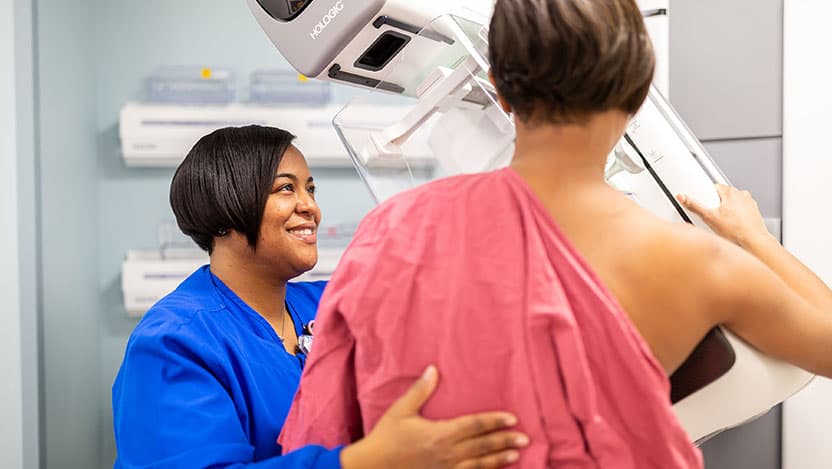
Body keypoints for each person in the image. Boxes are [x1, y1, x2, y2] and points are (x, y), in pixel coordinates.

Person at [277, 0, 832, 467]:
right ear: (639, 94)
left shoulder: (394, 232)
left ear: (497, 88)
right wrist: (756, 239)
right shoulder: (699, 264)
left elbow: (321, 419)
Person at [111, 125, 530, 468]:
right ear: (223, 210)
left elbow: (443, 305)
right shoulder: (174, 344)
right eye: (286, 189)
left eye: (310, 189)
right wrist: (367, 461)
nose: (310, 207)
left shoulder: (331, 303)